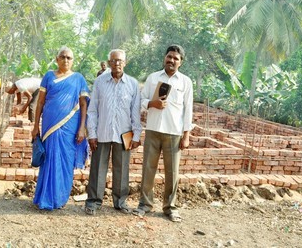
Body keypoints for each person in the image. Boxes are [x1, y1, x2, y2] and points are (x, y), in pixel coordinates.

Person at [133, 45, 193, 223]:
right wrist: (153, 104)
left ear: (181, 62)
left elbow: (188, 110)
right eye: (169, 57)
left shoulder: (185, 82)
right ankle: (145, 204)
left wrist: (186, 135)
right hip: (152, 130)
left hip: (174, 132)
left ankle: (170, 207)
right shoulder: (153, 78)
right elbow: (141, 101)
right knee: (148, 170)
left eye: (175, 58)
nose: (171, 60)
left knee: (172, 172)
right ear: (164, 58)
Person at [31, 46, 90, 210]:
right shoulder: (49, 76)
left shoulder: (78, 79)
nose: (65, 60)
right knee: (49, 160)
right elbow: (40, 102)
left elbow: (84, 104)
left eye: (69, 58)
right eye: (62, 57)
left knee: (65, 161)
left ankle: (59, 199)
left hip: (71, 127)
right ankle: (45, 198)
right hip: (50, 125)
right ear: (57, 59)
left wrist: (82, 128)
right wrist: (35, 125)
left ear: (73, 61)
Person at [85, 49, 142, 215]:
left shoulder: (132, 84)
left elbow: (135, 112)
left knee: (122, 168)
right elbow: (92, 110)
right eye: (114, 60)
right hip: (102, 131)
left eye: (120, 61)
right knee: (97, 168)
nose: (117, 63)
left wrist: (136, 135)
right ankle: (93, 202)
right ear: (109, 62)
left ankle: (120, 201)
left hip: (124, 133)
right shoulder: (100, 82)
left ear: (125, 62)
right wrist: (92, 133)